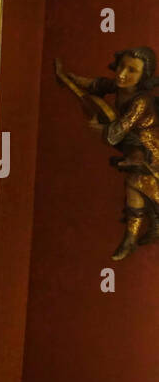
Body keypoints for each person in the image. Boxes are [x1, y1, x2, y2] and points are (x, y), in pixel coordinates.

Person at [56, 48, 159, 259]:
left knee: (137, 183)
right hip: (133, 146)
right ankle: (141, 232)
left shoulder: (141, 102)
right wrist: (69, 78)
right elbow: (95, 84)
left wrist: (102, 130)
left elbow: (120, 128)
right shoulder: (118, 86)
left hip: (151, 150)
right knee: (135, 185)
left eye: (132, 70)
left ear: (143, 76)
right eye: (121, 66)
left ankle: (137, 235)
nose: (122, 74)